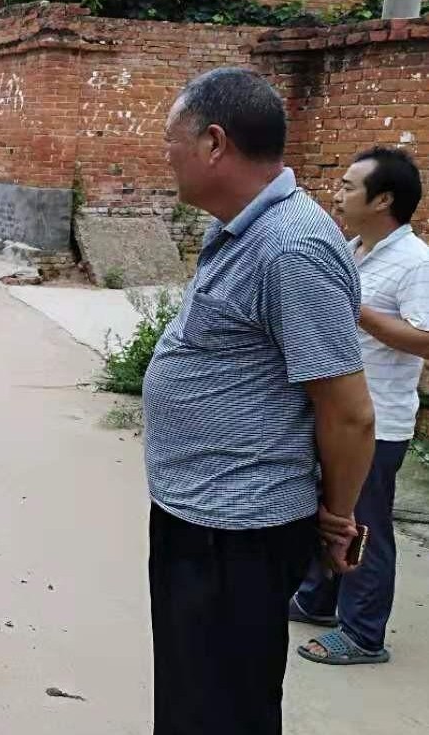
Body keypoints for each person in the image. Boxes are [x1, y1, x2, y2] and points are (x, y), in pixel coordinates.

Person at [143, 67, 375, 734]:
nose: (166, 155)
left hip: (237, 533)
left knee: (227, 710)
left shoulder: (291, 247)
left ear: (214, 143)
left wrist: (336, 519)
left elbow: (350, 411)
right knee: (194, 701)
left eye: (172, 140)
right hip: (202, 518)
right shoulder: (245, 228)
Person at [290, 146, 429, 665]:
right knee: (328, 512)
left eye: (350, 186)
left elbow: (426, 339)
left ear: (384, 199)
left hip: (379, 423)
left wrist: (356, 308)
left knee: (362, 524)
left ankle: (363, 633)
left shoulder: (416, 263)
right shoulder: (354, 249)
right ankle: (319, 600)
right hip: (338, 413)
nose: (338, 193)